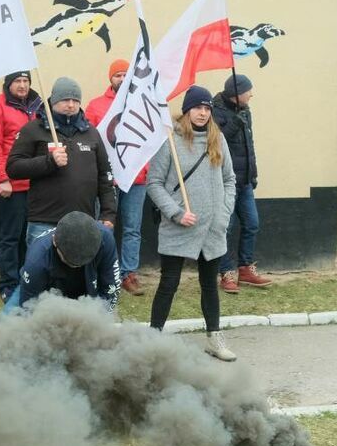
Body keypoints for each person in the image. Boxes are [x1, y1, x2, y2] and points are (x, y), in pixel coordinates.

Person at [147, 86, 237, 361]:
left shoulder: (217, 140)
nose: (202, 112)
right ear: (187, 110)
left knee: (210, 284)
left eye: (207, 108)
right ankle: (153, 337)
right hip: (179, 227)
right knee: (168, 284)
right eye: (198, 107)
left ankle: (214, 337)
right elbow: (154, 183)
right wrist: (175, 212)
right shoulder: (170, 141)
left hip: (212, 228)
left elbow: (230, 180)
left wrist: (223, 214)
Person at [6, 77, 117, 246]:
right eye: (65, 100)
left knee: (79, 270)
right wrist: (48, 161)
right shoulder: (33, 130)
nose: (71, 105)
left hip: (83, 221)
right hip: (44, 221)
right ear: (53, 101)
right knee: (41, 270)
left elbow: (105, 176)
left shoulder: (92, 133)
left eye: (75, 100)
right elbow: (13, 168)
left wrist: (108, 214)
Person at [86, 58, 148, 296]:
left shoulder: (141, 103)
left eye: (125, 75)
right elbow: (89, 138)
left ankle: (128, 273)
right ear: (110, 78)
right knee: (104, 226)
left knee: (133, 228)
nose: (122, 79)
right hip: (107, 178)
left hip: (136, 178)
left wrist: (146, 167)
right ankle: (104, 271)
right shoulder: (96, 106)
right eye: (118, 75)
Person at [0, 71, 43, 301]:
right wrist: (2, 178)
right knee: (10, 237)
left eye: (26, 80)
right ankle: (8, 283)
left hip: (38, 184)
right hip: (12, 185)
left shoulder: (38, 105)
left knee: (34, 236)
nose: (23, 85)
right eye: (18, 81)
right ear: (8, 84)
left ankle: (30, 280)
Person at [210, 74, 270, 293]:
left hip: (245, 181)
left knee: (252, 223)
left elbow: (249, 146)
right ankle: (226, 273)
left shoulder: (245, 111)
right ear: (237, 93)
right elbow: (216, 143)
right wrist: (234, 124)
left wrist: (253, 174)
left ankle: (245, 268)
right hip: (226, 181)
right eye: (248, 91)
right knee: (226, 227)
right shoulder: (215, 111)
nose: (251, 94)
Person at [3, 211, 119, 314]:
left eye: (79, 264)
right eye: (70, 262)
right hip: (41, 287)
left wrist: (98, 321)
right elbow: (28, 310)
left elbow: (110, 291)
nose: (75, 266)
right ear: (54, 241)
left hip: (86, 290)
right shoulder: (36, 262)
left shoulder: (105, 240)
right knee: (10, 326)